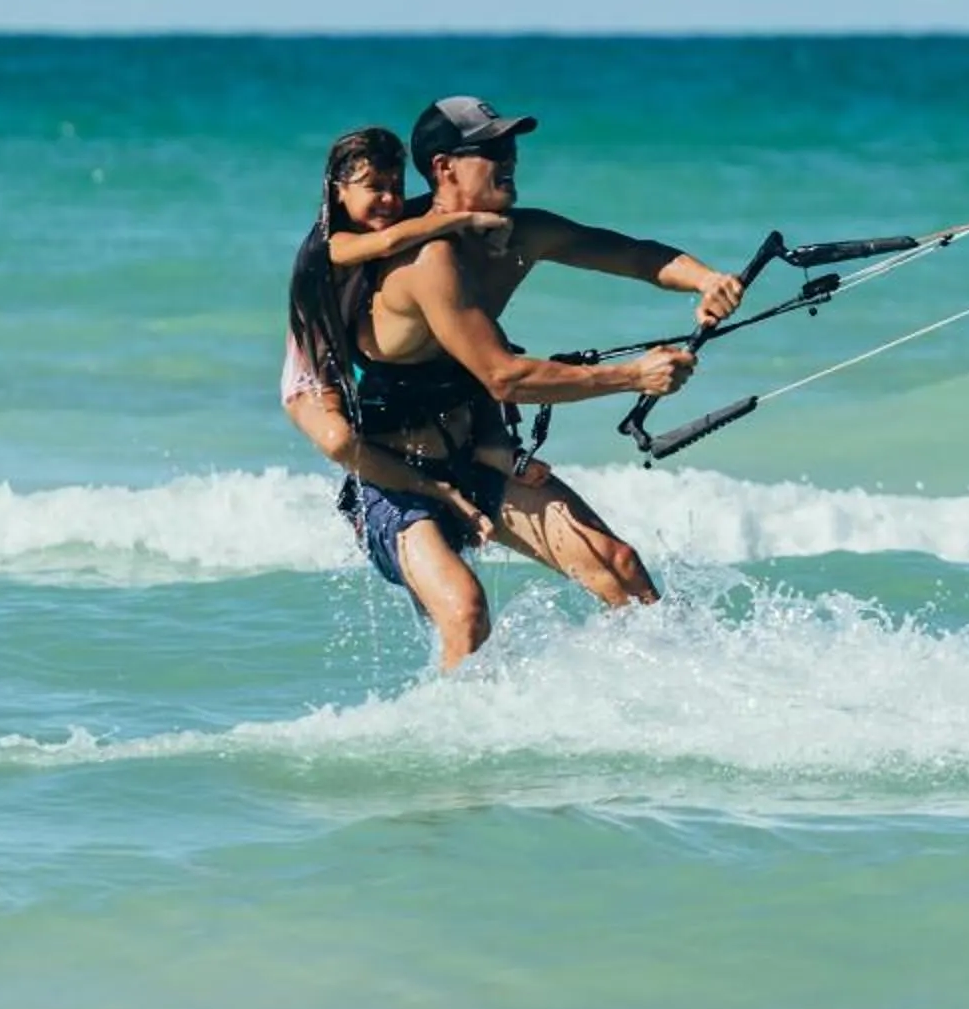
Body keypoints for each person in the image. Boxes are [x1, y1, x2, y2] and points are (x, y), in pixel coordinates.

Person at [338, 94, 744, 668]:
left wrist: (704, 279)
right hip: (395, 481)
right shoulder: (424, 259)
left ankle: (676, 706)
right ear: (442, 168)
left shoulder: (519, 235)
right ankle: (452, 747)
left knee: (622, 573)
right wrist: (633, 376)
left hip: (474, 460)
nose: (509, 158)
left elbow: (630, 253)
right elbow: (504, 378)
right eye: (490, 150)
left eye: (511, 147)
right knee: (467, 614)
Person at [281, 127, 512, 632]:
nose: (388, 199)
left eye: (395, 186)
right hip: (308, 377)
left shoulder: (393, 216)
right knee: (341, 438)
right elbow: (387, 241)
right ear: (338, 189)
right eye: (372, 187)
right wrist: (466, 218)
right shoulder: (332, 241)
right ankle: (435, 493)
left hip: (347, 369)